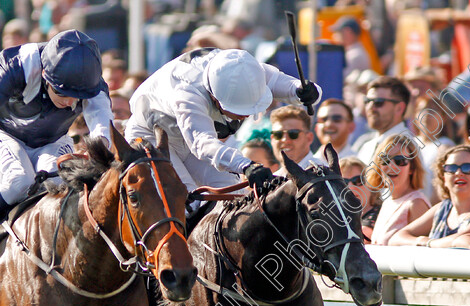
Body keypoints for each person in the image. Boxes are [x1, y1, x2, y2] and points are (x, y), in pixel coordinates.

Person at [0, 29, 116, 278]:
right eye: (63, 93)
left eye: (78, 97)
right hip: (3, 134)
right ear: (46, 75)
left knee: (60, 188)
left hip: (53, 140)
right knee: (20, 182)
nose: (71, 103)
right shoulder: (17, 65)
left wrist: (98, 155)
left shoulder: (94, 84)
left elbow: (103, 128)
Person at [124, 47, 321, 216]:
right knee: (187, 204)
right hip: (150, 137)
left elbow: (278, 81)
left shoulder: (241, 68)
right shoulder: (187, 94)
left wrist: (302, 91)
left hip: (186, 137)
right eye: (239, 110)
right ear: (215, 98)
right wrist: (245, 165)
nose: (245, 117)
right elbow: (202, 144)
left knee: (238, 203)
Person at [390, 145, 470, 247]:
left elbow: (458, 240)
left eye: (467, 168)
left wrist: (429, 243)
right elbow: (397, 238)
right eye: (451, 168)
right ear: (444, 179)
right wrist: (422, 241)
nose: (459, 173)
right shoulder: (440, 209)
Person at [368, 135, 431, 245]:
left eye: (400, 161)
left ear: (412, 168)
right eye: (385, 160)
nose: (391, 165)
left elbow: (426, 251)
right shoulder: (387, 202)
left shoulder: (416, 204)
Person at [354, 76, 411, 165]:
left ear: (399, 108)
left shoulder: (408, 147)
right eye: (367, 101)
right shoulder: (367, 146)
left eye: (378, 102)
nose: (370, 107)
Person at [339, 157, 380, 242]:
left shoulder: (381, 212)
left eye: (358, 180)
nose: (351, 187)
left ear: (371, 183)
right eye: (344, 183)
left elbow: (361, 237)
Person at [269, 105, 319, 173]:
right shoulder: (274, 179)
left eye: (293, 134)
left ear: (309, 138)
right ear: (272, 139)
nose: (284, 140)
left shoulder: (323, 175)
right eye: (278, 134)